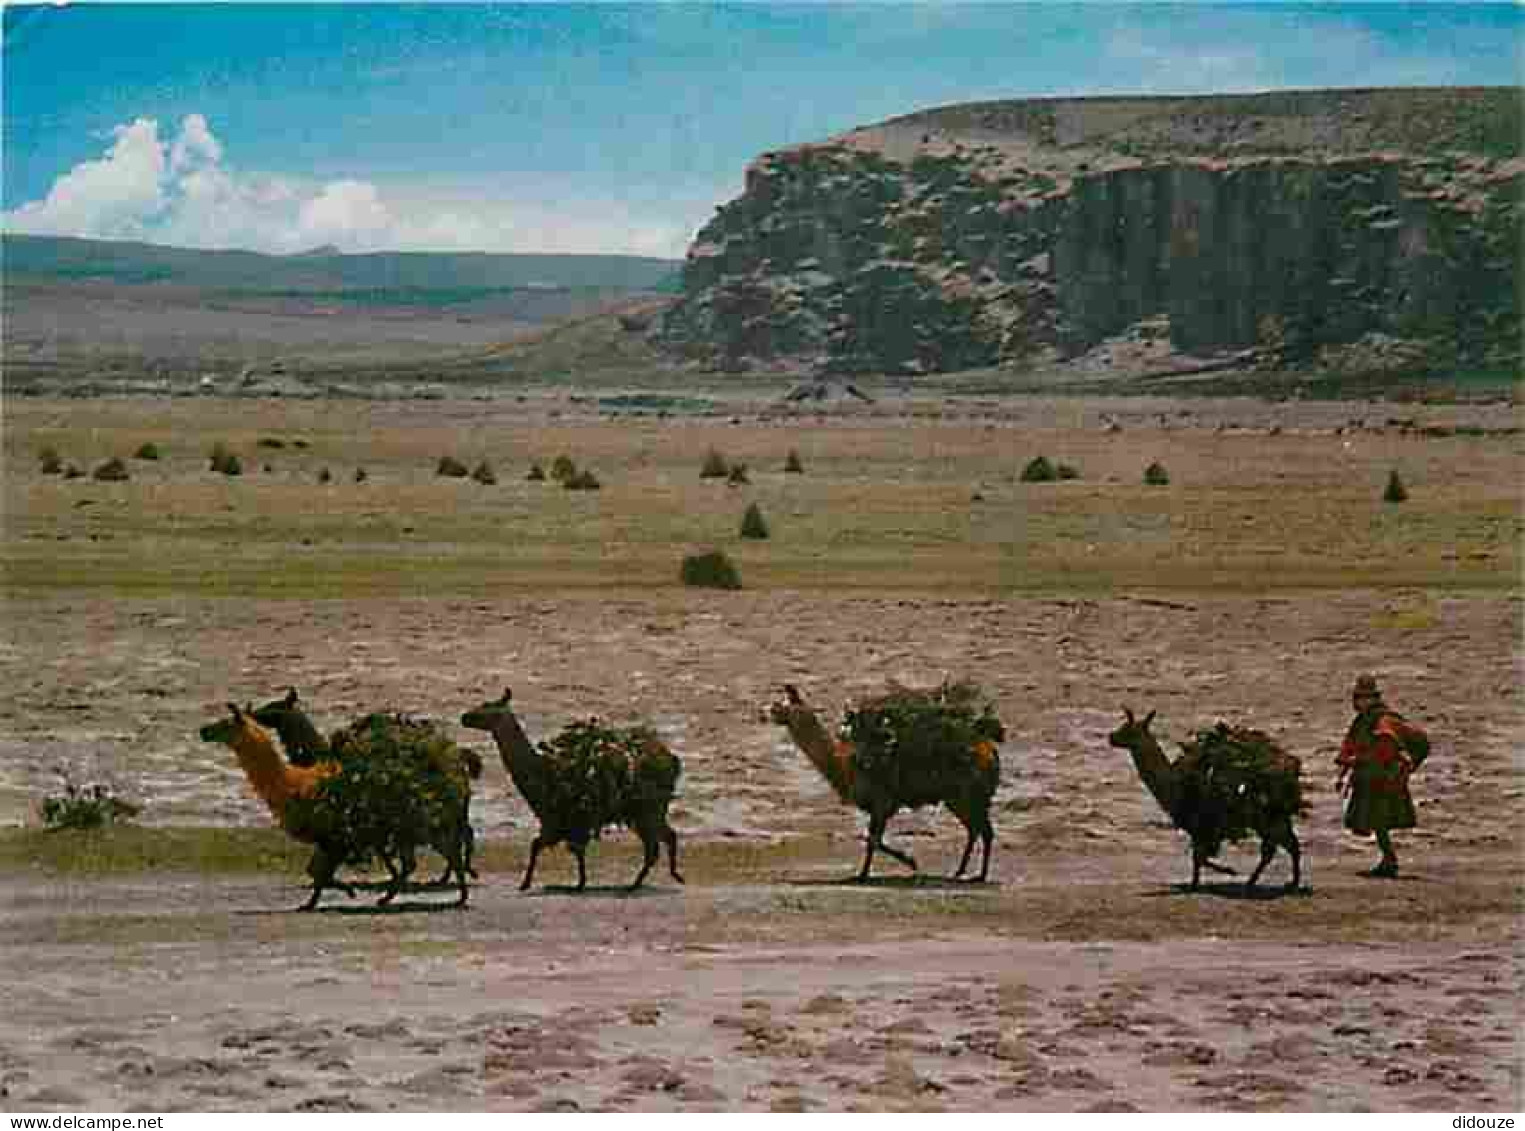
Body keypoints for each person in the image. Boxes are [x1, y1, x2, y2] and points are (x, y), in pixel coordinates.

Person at [1336, 674, 1427, 877]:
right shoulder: (1363, 721)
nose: (1358, 703)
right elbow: (1350, 745)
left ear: (1372, 699)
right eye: (1357, 698)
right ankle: (1389, 859)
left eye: (1362, 698)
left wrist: (1356, 761)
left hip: (1383, 781)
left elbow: (1384, 750)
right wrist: (1344, 769)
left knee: (1378, 821)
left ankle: (1389, 860)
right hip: (1371, 779)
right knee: (1378, 823)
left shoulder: (1383, 722)